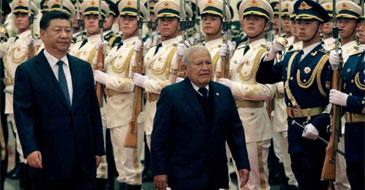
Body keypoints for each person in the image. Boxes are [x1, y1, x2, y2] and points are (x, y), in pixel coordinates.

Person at [13, 11, 104, 190]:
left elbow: (93, 111)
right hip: (47, 157)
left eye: (68, 30)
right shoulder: (28, 71)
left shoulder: (83, 68)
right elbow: (24, 114)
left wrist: (98, 149)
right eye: (58, 30)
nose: (64, 35)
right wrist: (30, 148)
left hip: (83, 157)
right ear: (43, 34)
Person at [256, 0, 333, 189]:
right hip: (293, 127)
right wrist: (271, 54)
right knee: (299, 177)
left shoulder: (326, 58)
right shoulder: (292, 56)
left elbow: (334, 99)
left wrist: (318, 124)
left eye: (307, 23)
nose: (301, 27)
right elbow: (263, 77)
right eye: (298, 22)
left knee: (316, 181)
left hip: (314, 129)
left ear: (320, 26)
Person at [151, 45, 250, 190]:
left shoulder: (223, 93)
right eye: (199, 64)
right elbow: (160, 136)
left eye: (208, 62)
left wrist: (242, 163)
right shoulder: (172, 94)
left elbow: (235, 131)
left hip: (216, 176)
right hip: (184, 176)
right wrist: (159, 170)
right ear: (185, 68)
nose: (205, 68)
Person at [218, 0, 275, 189]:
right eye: (247, 18)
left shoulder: (268, 52)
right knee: (232, 179)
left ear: (266, 25)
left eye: (257, 19)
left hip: (253, 122)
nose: (251, 22)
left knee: (254, 183)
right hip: (230, 120)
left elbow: (268, 91)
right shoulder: (238, 50)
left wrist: (234, 88)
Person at [94, 0, 148, 189]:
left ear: (139, 23)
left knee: (131, 169)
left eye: (131, 19)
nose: (126, 22)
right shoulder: (116, 47)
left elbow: (132, 84)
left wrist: (104, 79)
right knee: (120, 167)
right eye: (123, 18)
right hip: (113, 112)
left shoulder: (138, 48)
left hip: (129, 112)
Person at [132, 0, 181, 149]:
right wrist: (136, 55)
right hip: (150, 110)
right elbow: (134, 76)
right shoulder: (153, 49)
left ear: (178, 23)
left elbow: (175, 86)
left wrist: (146, 83)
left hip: (170, 112)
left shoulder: (180, 49)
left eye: (170, 20)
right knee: (156, 163)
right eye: (162, 20)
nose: (165, 24)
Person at [328, 9, 365, 190]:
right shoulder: (355, 59)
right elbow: (337, 93)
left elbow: (345, 98)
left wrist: (348, 101)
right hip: (351, 130)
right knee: (354, 177)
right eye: (361, 24)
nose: (361, 29)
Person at [3, 0, 39, 187]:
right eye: (17, 15)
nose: (19, 18)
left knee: (28, 141)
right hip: (11, 96)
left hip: (25, 98)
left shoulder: (34, 42)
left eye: (23, 15)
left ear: (31, 17)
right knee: (19, 142)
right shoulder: (12, 40)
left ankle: (30, 182)